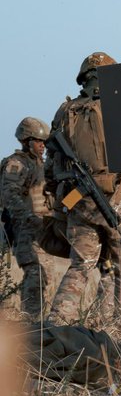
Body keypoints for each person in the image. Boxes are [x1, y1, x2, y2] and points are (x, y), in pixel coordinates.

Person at [45, 52, 121, 325]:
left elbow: (51, 164)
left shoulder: (65, 111)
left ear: (83, 77)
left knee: (80, 267)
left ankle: (56, 324)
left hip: (80, 202)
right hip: (120, 203)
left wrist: (59, 198)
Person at [0, 117, 54, 319]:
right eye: (39, 141)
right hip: (25, 232)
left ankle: (36, 323)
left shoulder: (42, 165)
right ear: (26, 141)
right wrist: (27, 217)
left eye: (44, 142)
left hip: (42, 232)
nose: (43, 146)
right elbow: (9, 194)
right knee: (35, 274)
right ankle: (29, 323)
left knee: (45, 276)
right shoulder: (17, 164)